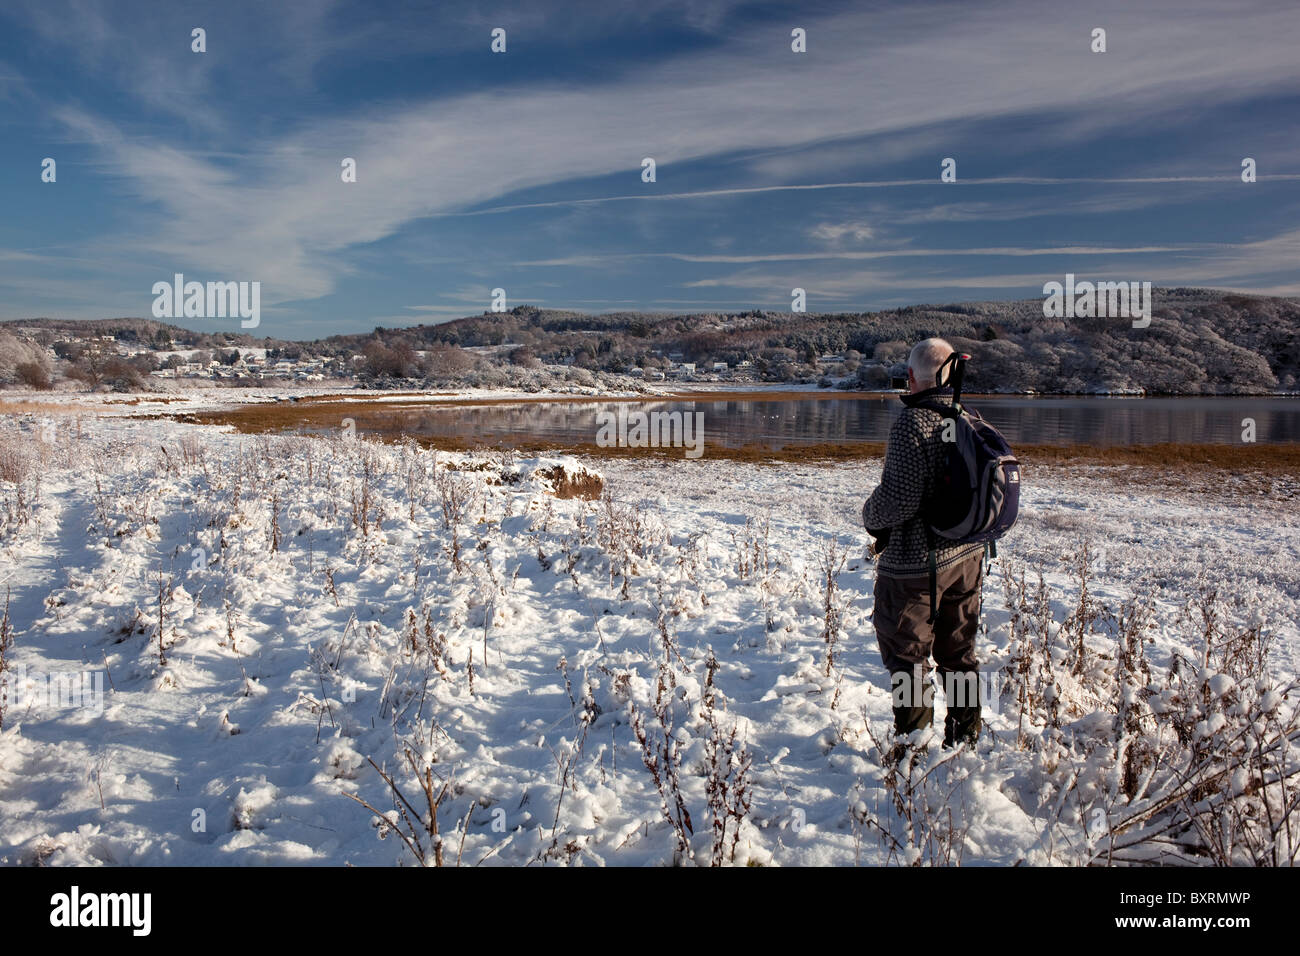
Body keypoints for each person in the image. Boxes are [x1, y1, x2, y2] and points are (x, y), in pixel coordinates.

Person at [862, 338, 985, 749]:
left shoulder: (913, 423)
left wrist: (868, 517)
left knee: (908, 661)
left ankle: (912, 751)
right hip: (967, 556)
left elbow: (898, 501)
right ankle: (965, 739)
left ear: (912, 377)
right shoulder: (964, 415)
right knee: (960, 653)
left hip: (917, 567)